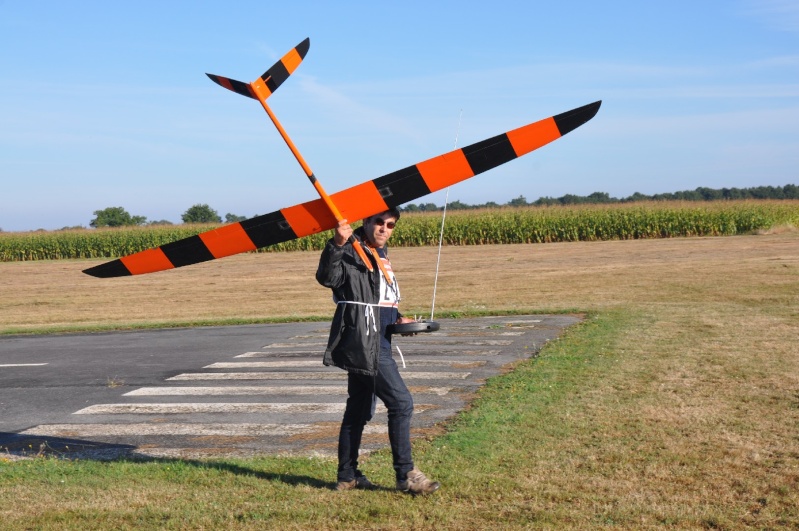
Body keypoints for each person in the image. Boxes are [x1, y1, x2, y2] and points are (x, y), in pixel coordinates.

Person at [316, 208, 440, 495]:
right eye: (378, 223)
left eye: (390, 225)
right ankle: (406, 474)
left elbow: (378, 298)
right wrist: (336, 244)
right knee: (401, 403)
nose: (384, 229)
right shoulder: (350, 249)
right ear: (365, 222)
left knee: (358, 410)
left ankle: (347, 476)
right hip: (364, 341)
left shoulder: (381, 253)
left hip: (378, 336)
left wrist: (399, 318)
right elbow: (327, 278)